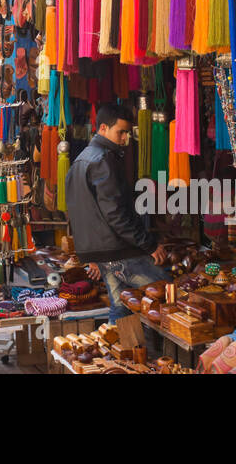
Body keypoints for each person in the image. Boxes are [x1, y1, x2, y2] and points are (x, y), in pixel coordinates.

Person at [65, 103, 168, 319]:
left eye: (126, 134)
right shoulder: (103, 160)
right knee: (166, 291)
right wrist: (148, 244)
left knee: (121, 307)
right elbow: (116, 214)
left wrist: (90, 254)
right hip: (116, 250)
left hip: (102, 251)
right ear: (103, 128)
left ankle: (120, 352)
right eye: (120, 132)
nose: (124, 139)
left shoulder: (82, 159)